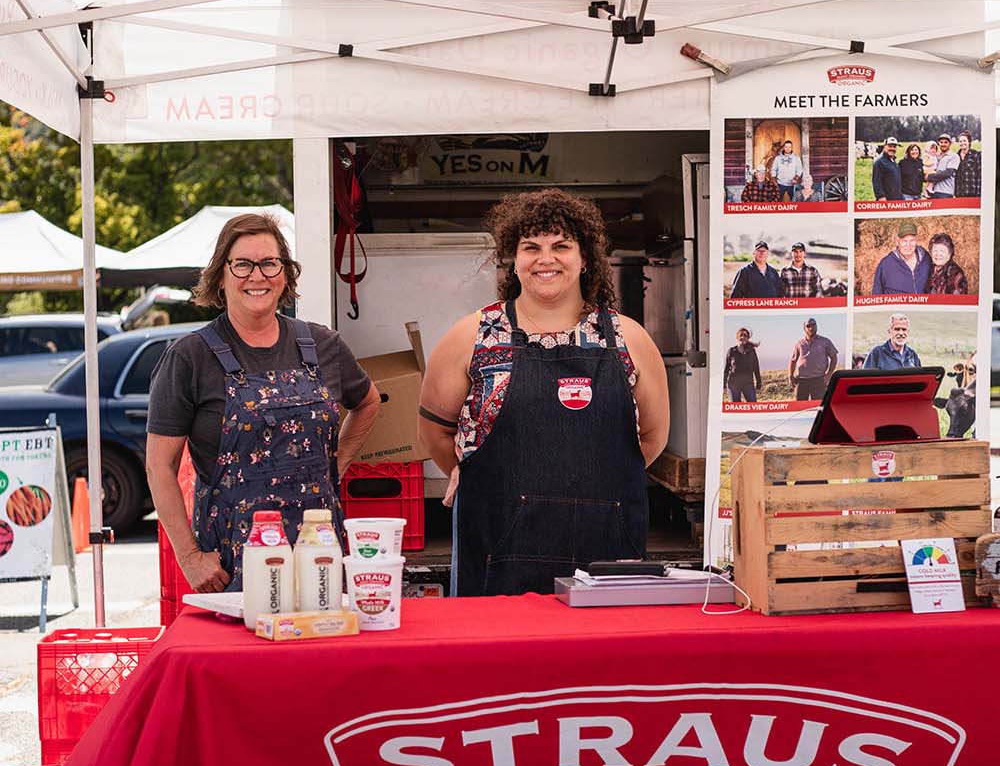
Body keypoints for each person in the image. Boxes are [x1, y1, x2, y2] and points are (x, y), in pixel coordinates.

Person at [417, 189, 668, 597]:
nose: (545, 259)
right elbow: (433, 433)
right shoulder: (472, 336)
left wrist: (598, 487)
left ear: (584, 258)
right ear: (513, 260)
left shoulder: (630, 339)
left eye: (561, 246)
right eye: (530, 247)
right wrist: (476, 475)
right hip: (497, 552)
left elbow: (653, 438)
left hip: (606, 553)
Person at [145, 212, 382, 593]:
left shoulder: (323, 346)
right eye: (242, 264)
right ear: (220, 276)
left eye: (270, 263)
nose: (257, 276)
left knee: (322, 650)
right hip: (233, 564)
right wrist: (189, 557)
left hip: (318, 558)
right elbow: (159, 466)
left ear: (285, 274)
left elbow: (368, 402)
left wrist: (334, 466)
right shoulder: (189, 357)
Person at [870, 220, 931, 296]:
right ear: (897, 241)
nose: (908, 245)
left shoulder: (926, 258)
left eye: (912, 240)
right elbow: (876, 294)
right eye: (904, 241)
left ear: (916, 240)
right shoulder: (886, 264)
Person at [788, 318, 838, 400]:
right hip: (801, 381)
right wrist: (790, 376)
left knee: (818, 406)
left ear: (817, 326)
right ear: (804, 329)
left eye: (814, 324)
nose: (811, 327)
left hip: (819, 380)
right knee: (800, 407)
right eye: (808, 326)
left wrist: (829, 375)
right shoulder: (799, 343)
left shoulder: (825, 341)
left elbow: (834, 357)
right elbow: (793, 360)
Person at [723, 327, 762, 403]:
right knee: (736, 408)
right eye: (741, 335)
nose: (743, 337)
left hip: (748, 383)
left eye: (745, 335)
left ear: (747, 338)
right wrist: (723, 383)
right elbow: (726, 369)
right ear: (737, 337)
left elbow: (756, 367)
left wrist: (759, 382)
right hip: (733, 384)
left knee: (753, 406)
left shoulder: (751, 351)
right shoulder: (731, 351)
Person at [955, 132, 982, 199]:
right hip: (959, 193)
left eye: (964, 141)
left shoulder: (976, 155)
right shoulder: (956, 156)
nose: (962, 143)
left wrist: (978, 194)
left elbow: (979, 175)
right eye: (960, 141)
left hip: (972, 192)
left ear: (969, 142)